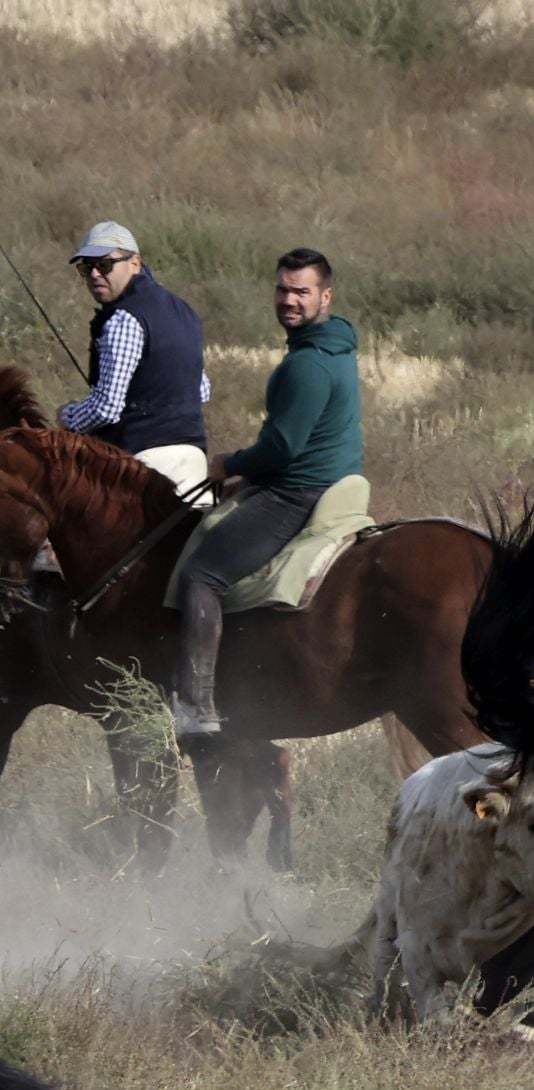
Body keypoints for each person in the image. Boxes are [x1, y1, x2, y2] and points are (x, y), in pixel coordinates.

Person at [171, 248, 362, 738]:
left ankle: (197, 707)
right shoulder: (335, 346)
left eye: (301, 291)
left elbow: (281, 446)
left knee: (202, 574)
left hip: (294, 494)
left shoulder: (308, 366)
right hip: (330, 481)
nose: (290, 300)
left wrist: (229, 464)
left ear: (325, 295)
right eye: (283, 289)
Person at [57, 220, 213, 506]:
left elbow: (106, 408)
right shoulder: (185, 312)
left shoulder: (124, 319)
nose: (94, 274)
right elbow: (201, 390)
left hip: (143, 463)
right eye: (85, 267)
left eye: (104, 265)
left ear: (135, 263)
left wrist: (68, 418)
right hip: (195, 458)